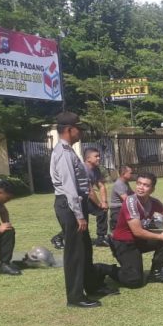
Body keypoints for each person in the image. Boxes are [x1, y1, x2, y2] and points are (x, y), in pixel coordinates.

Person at [50, 112, 115, 308]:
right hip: (69, 206)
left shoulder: (69, 151)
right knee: (75, 253)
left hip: (74, 204)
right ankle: (75, 297)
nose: (81, 132)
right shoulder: (62, 153)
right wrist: (79, 215)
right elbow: (70, 186)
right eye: (79, 128)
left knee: (85, 249)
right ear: (69, 129)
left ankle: (92, 286)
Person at [100, 172, 163, 287]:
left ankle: (155, 273)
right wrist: (161, 236)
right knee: (134, 281)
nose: (141, 187)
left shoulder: (153, 202)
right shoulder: (130, 202)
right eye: (139, 183)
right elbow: (137, 231)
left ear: (152, 189)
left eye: (146, 185)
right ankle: (104, 269)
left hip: (138, 241)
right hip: (123, 243)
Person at [50, 147, 110, 247]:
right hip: (78, 199)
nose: (99, 158)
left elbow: (101, 186)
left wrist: (104, 202)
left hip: (86, 198)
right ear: (88, 158)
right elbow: (90, 190)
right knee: (76, 223)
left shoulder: (96, 170)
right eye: (96, 156)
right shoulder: (83, 169)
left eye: (99, 156)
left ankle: (101, 237)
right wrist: (99, 204)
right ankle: (58, 238)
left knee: (102, 211)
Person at [109, 165, 134, 231]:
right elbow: (126, 199)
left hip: (123, 207)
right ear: (123, 174)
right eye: (130, 173)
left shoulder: (125, 182)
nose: (132, 174)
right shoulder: (119, 184)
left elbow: (132, 194)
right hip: (117, 210)